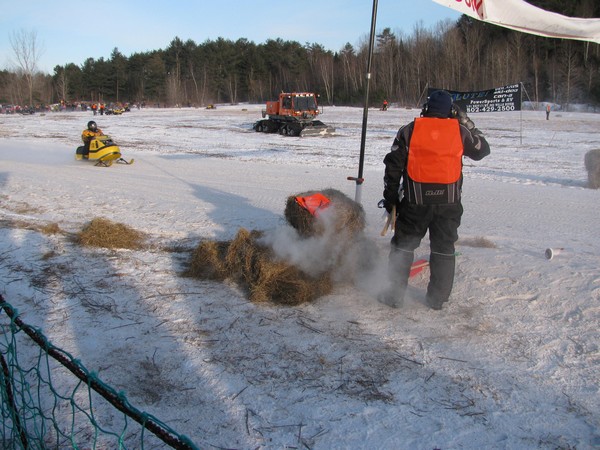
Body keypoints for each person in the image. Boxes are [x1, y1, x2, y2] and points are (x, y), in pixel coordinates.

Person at [378, 90, 490, 310]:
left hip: (414, 202)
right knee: (443, 249)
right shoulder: (459, 131)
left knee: (403, 247)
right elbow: (482, 150)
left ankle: (394, 296)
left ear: (426, 108)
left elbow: (393, 167)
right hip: (449, 203)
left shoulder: (409, 130)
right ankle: (436, 300)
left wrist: (391, 200)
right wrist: (466, 121)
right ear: (451, 111)